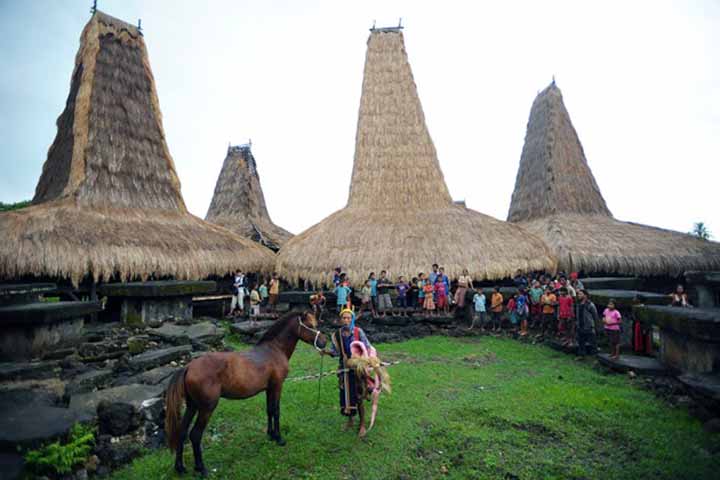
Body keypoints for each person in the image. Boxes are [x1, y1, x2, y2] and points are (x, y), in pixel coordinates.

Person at [322, 308, 374, 438]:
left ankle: (362, 424)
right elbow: (335, 352)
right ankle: (350, 420)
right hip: (344, 370)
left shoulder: (358, 332)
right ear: (341, 320)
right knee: (347, 396)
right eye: (344, 318)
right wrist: (326, 352)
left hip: (358, 369)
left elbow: (367, 346)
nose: (346, 320)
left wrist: (364, 360)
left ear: (352, 319)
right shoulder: (337, 335)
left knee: (359, 396)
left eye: (348, 318)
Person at [576, 289, 599, 356]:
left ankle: (595, 356)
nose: (578, 295)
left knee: (593, 342)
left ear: (585, 295)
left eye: (580, 294)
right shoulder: (578, 303)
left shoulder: (590, 305)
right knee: (581, 342)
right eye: (578, 294)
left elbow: (595, 316)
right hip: (580, 326)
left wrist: (595, 326)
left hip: (589, 327)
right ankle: (581, 355)